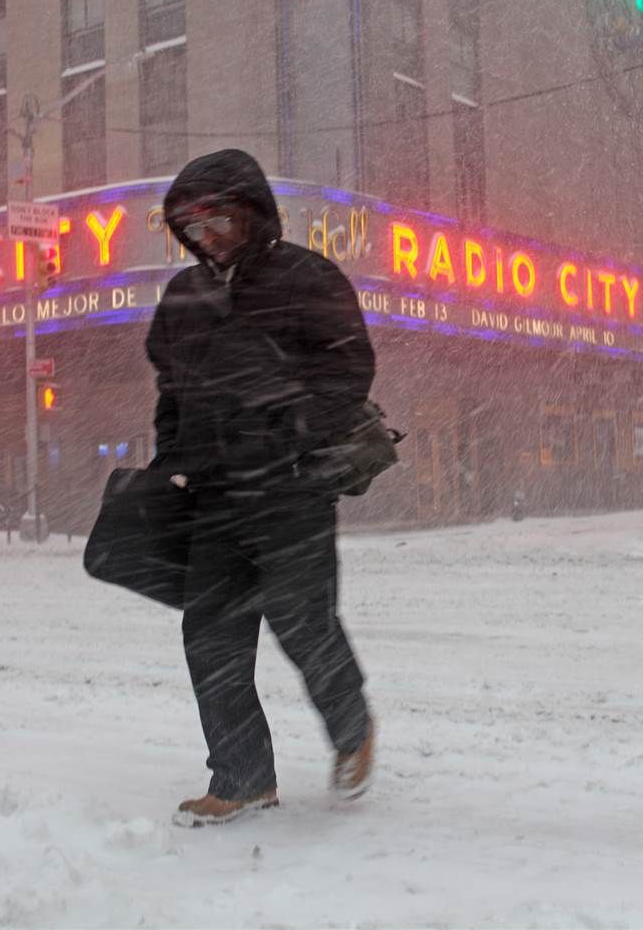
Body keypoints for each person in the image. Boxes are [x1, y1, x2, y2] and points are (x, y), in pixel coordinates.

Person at [147, 149, 376, 828]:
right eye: (192, 223)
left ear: (249, 209)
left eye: (217, 216)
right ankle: (242, 778)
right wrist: (170, 463)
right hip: (215, 495)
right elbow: (171, 391)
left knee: (303, 622)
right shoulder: (183, 297)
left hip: (294, 486)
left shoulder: (305, 275)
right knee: (211, 636)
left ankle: (352, 728)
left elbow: (348, 371)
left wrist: (290, 426)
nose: (206, 232)